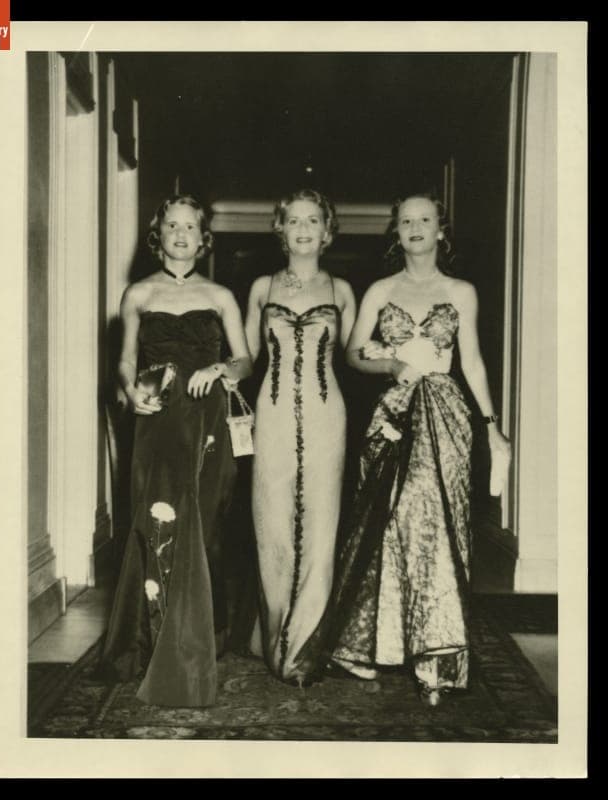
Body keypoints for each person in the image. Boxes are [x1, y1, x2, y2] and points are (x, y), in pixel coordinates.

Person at [297, 192, 511, 706]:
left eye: (425, 219)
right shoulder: (380, 290)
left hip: (446, 414)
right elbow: (351, 353)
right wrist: (390, 364)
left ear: (441, 230)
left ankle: (437, 657)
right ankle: (368, 642)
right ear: (397, 230)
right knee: (388, 522)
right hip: (392, 415)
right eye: (406, 220)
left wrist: (492, 428)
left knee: (438, 524)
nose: (416, 227)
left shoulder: (461, 291)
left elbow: (474, 363)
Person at [100, 193, 252, 707]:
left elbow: (247, 360)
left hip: (208, 425)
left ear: (203, 237)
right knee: (152, 524)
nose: (181, 234)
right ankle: (144, 642)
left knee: (204, 527)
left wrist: (221, 369)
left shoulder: (222, 295)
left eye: (191, 227)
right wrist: (131, 392)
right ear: (158, 233)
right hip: (157, 423)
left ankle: (202, 640)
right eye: (172, 226)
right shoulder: (138, 293)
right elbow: (123, 363)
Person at [243, 188, 356, 685]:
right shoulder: (261, 287)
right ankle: (274, 633)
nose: (304, 228)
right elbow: (246, 357)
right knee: (271, 520)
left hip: (328, 412)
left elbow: (357, 354)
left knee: (321, 523)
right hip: (269, 415)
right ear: (281, 228)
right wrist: (220, 366)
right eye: (294, 220)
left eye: (314, 220)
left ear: (326, 231)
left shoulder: (343, 289)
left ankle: (305, 644)